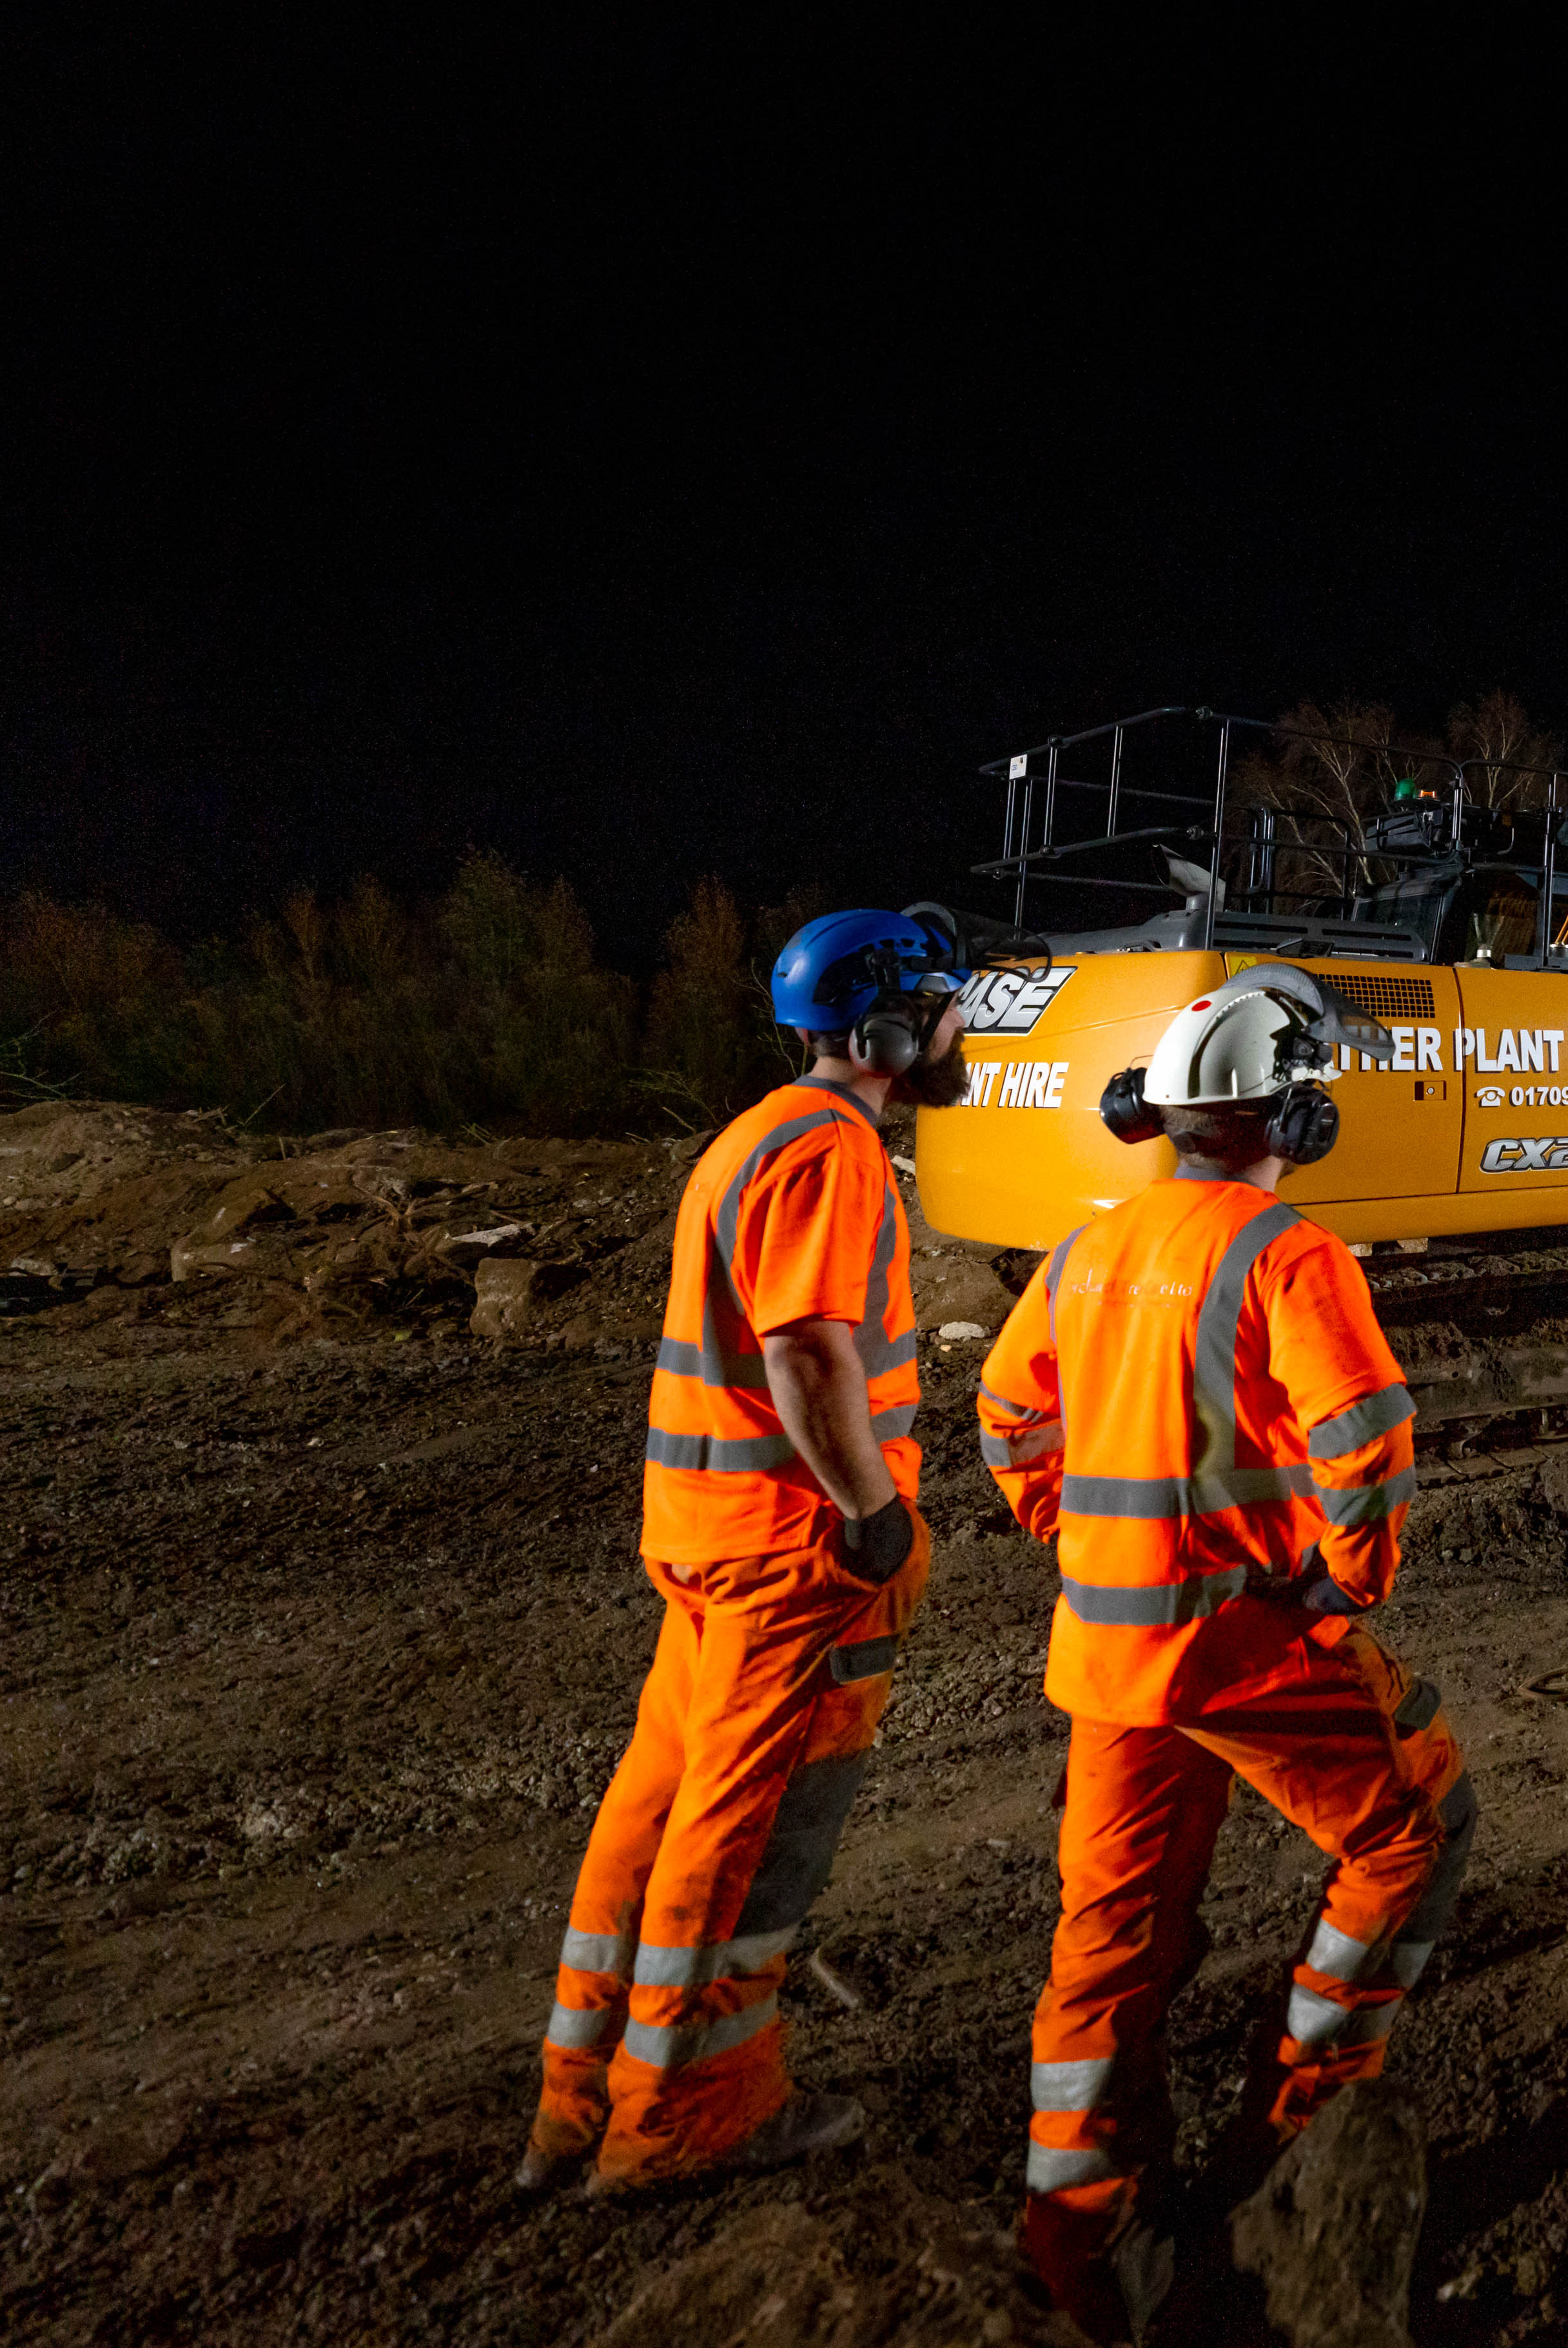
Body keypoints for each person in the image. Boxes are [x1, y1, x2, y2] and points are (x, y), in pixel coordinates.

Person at [981, 981, 1473, 2337]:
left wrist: (1077, 1535)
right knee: (1415, 1825)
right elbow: (1367, 1435)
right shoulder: (1288, 1253)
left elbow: (1010, 1409)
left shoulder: (1086, 1246)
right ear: (1294, 1114)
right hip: (1239, 1646)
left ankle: (1077, 2238)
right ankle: (1307, 2124)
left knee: (1110, 1935)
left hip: (1108, 1648)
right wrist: (1339, 1588)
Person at [520, 910, 966, 2195]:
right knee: (745, 1827)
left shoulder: (752, 1135)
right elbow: (809, 1351)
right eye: (942, 1006)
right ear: (887, 1026)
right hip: (792, 1550)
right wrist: (876, 1512)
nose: (957, 1028)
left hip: (711, 1539)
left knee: (653, 1812)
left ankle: (576, 2099)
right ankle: (685, 2114)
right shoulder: (833, 1152)